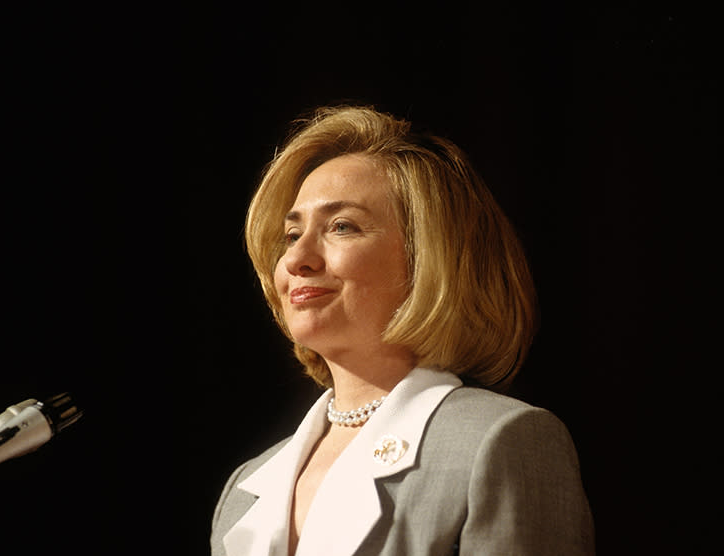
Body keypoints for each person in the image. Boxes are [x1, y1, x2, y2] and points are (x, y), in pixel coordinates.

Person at [210, 106, 595, 555]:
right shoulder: (245, 491)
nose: (297, 260)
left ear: (430, 256)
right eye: (293, 235)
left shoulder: (500, 442)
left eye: (341, 226)